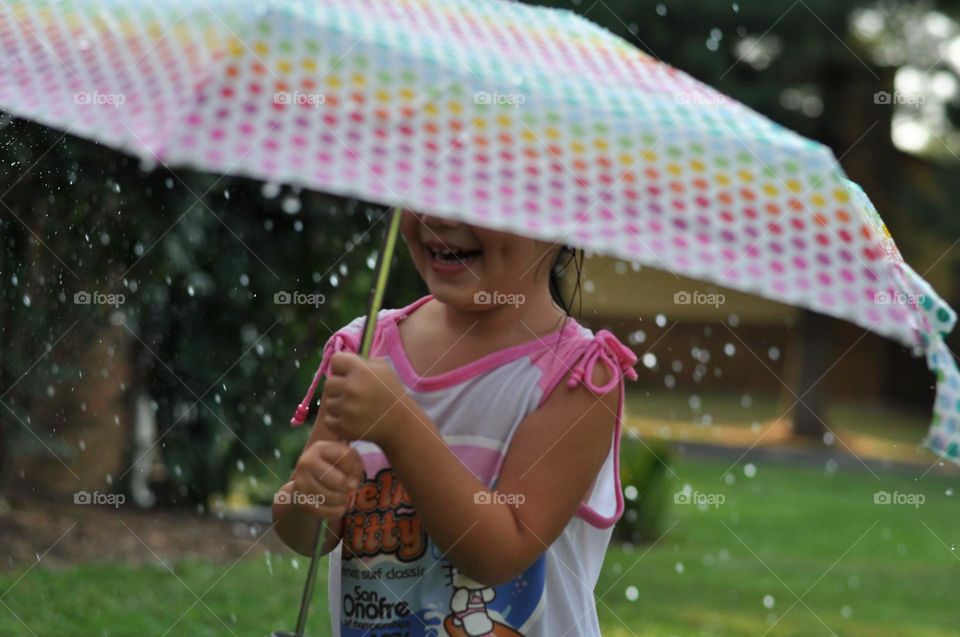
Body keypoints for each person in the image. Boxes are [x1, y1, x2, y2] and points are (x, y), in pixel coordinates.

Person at [272, 209, 638, 636]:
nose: (441, 216)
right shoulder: (367, 348)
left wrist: (400, 423)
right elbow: (312, 532)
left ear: (557, 217)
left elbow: (500, 554)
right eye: (427, 190)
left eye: (480, 200)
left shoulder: (577, 377)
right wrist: (306, 498)